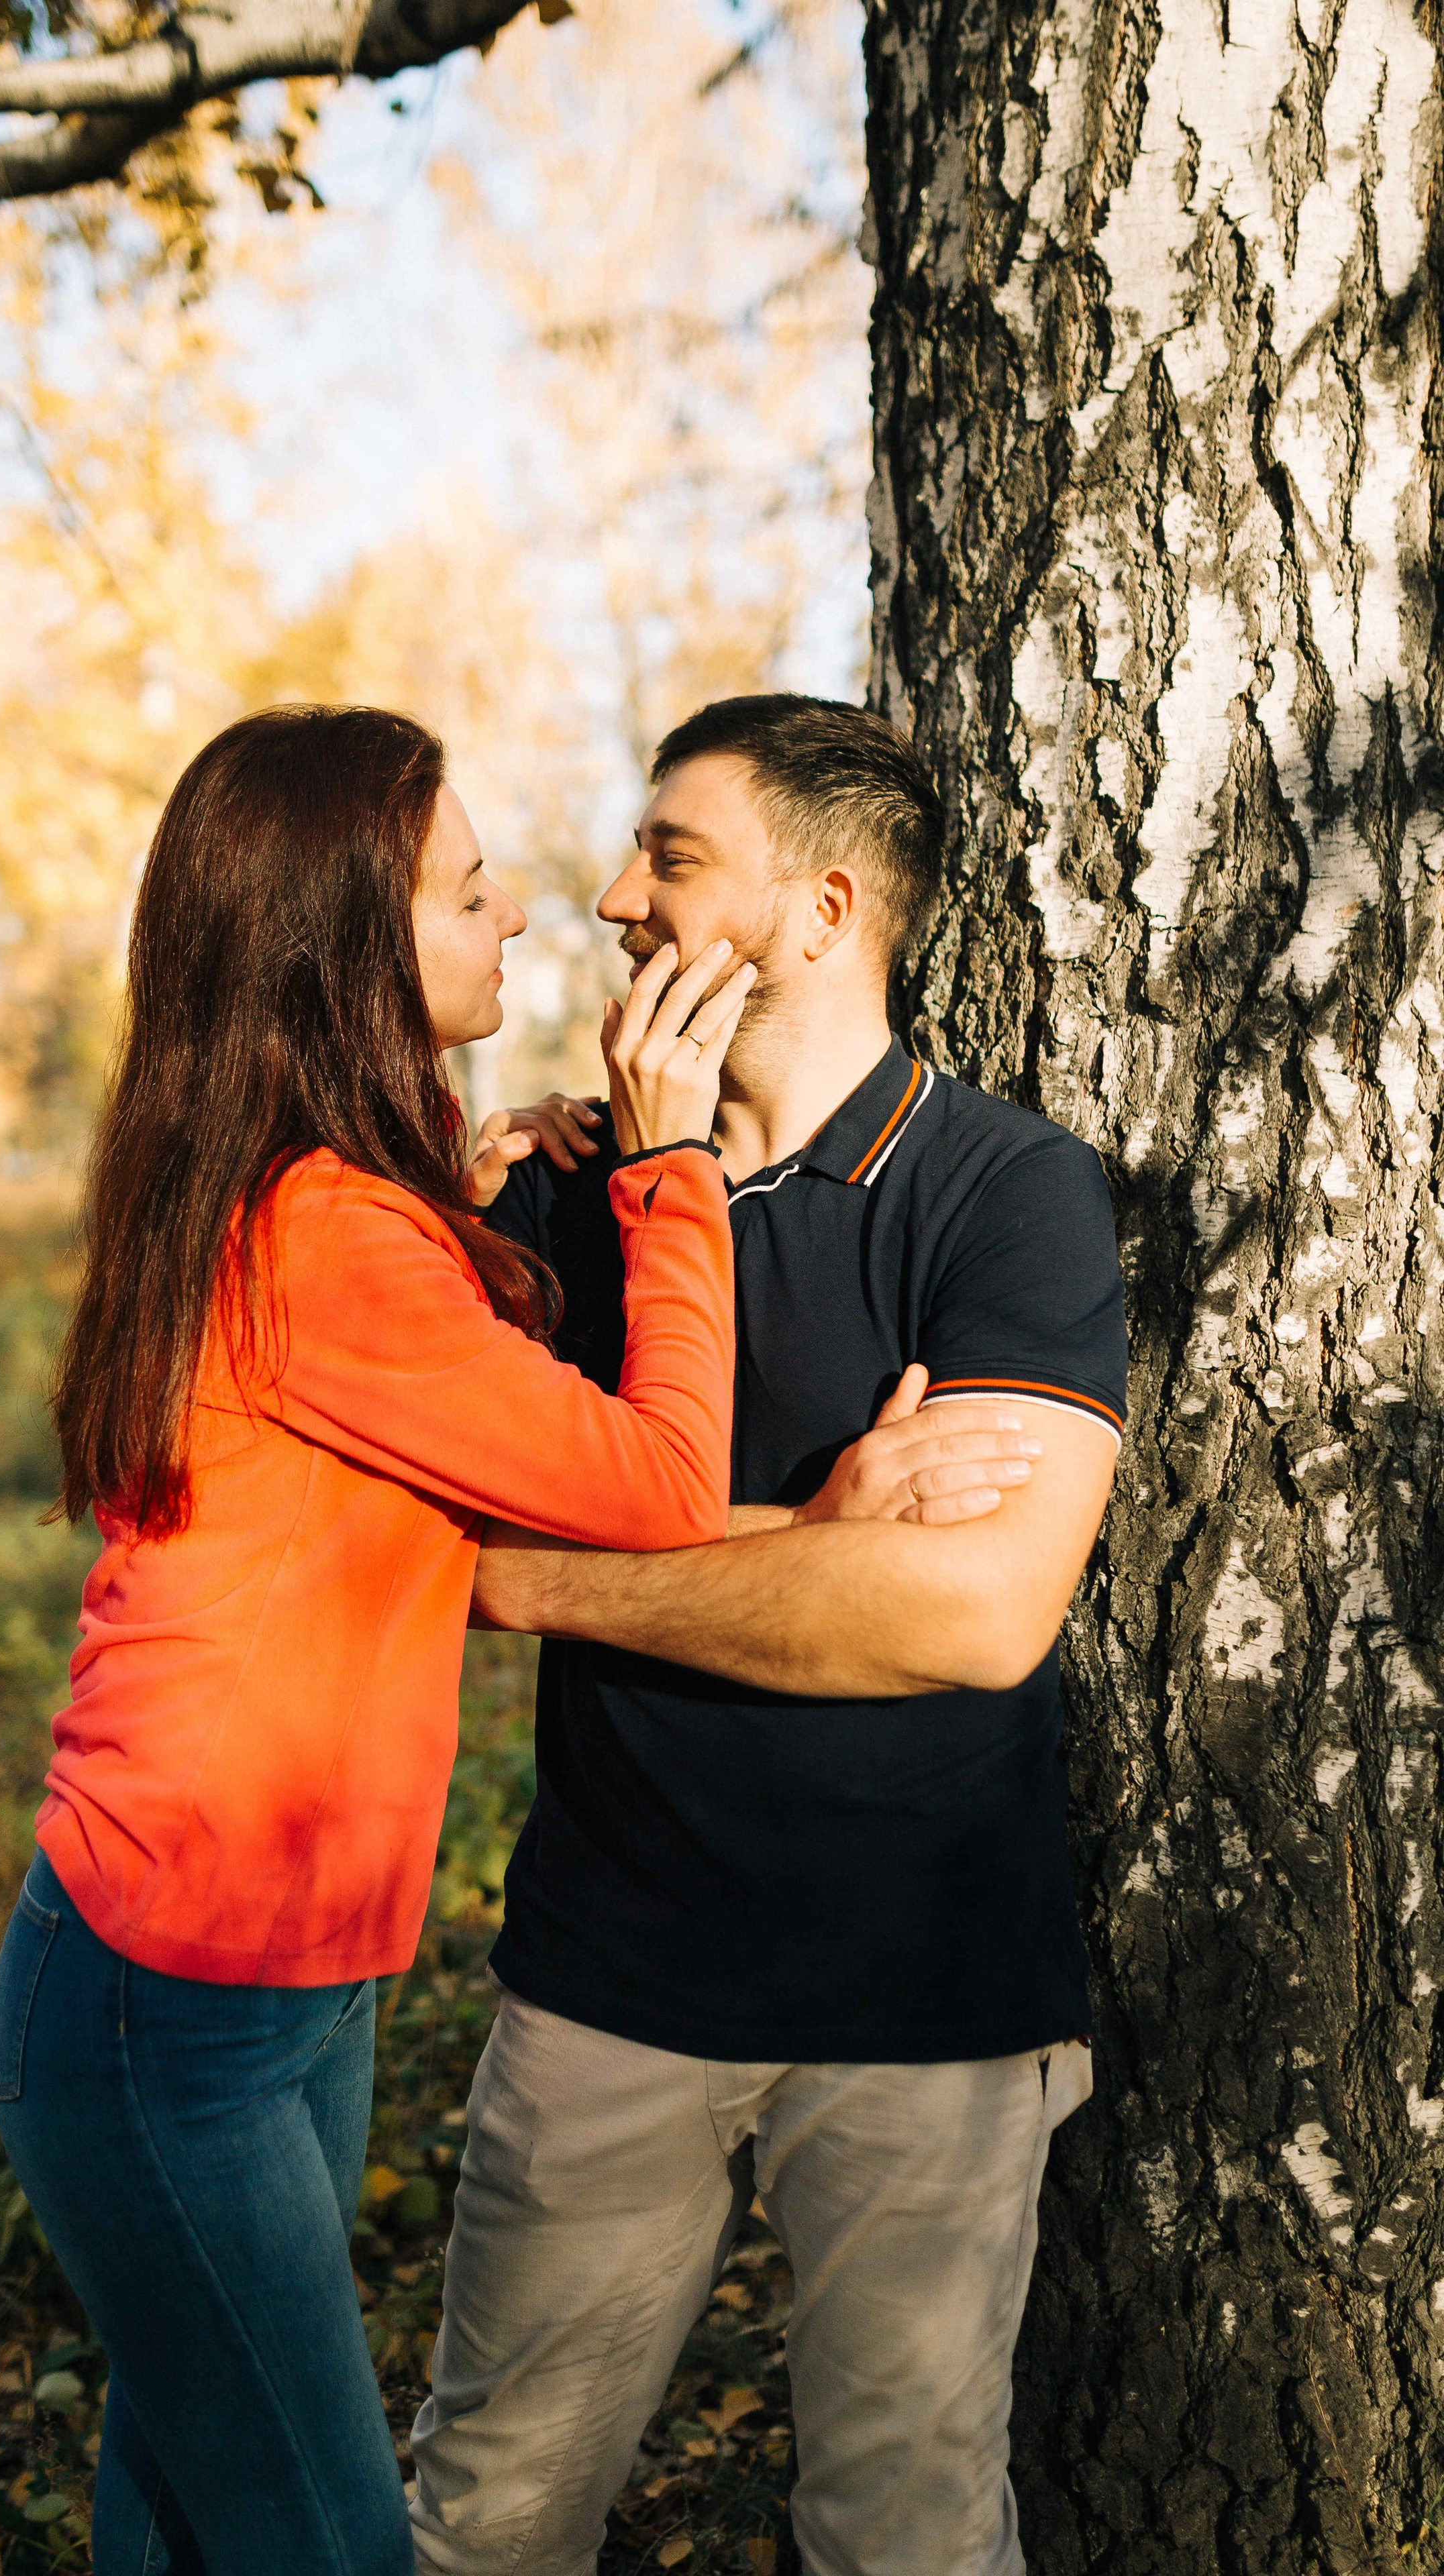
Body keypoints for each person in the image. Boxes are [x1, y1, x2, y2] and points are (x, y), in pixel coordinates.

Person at [0, 702, 764, 2576]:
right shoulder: (327, 1238)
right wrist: (669, 1173)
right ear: (347, 947)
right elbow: (664, 1484)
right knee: (322, 2538)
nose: (523, 918)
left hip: (283, 1974)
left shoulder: (298, 1188)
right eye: (470, 895)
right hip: (172, 2003)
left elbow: (391, 1376)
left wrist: (470, 1193)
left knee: (192, 2502)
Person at [409, 694, 1129, 2576]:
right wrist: (813, 1546)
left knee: (907, 2533)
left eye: (672, 856)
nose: (609, 896)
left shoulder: (1009, 1191)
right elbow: (438, 1549)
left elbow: (976, 1612)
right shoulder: (554, 1196)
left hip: (930, 2007)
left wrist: (561, 1569)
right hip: (607, 1980)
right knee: (489, 2518)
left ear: (821, 912)